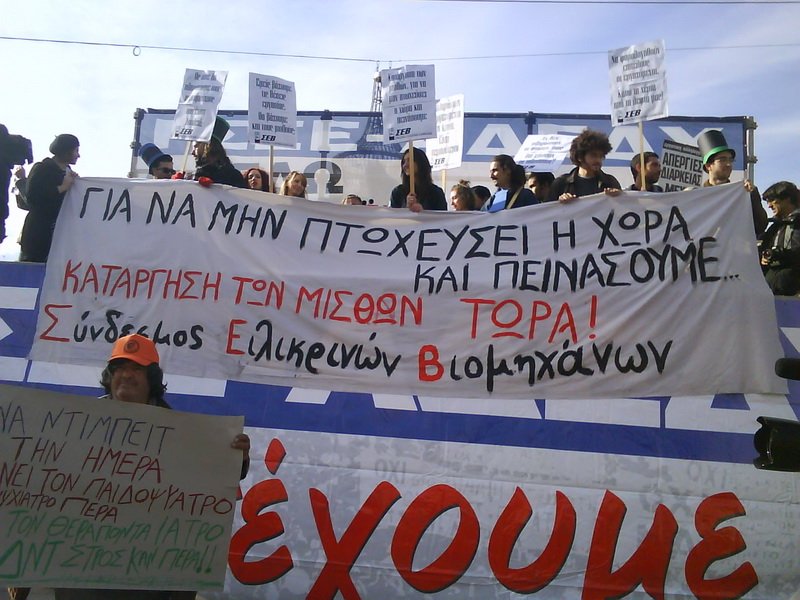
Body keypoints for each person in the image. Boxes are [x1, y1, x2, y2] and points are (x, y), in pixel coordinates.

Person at [51, 333, 251, 600]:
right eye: (119, 368)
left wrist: (236, 457)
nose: (126, 375)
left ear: (152, 380)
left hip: (147, 575)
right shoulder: (75, 424)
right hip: (80, 573)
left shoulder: (183, 432)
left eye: (136, 369)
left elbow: (212, 479)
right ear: (109, 375)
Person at [19, 133, 80, 262]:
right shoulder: (42, 168)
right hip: (38, 236)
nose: (78, 155)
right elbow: (32, 198)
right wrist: (62, 188)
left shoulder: (68, 173)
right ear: (66, 152)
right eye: (76, 151)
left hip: (59, 236)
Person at [697, 129, 767, 236]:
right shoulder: (697, 196)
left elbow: (760, 227)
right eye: (722, 160)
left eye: (730, 160)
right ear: (708, 166)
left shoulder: (744, 192)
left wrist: (752, 197)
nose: (728, 164)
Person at [547, 129, 621, 203]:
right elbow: (547, 208)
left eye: (601, 156)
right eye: (593, 155)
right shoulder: (561, 184)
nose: (598, 160)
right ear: (580, 157)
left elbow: (622, 208)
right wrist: (559, 203)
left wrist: (618, 197)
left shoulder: (610, 182)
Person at [759, 181, 800, 295]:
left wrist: (780, 254)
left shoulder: (797, 222)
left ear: (787, 199)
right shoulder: (774, 227)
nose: (769, 205)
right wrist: (764, 257)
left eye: (772, 200)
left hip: (793, 294)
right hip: (771, 292)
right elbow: (762, 252)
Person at [192, 116, 246, 188]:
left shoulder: (233, 176)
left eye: (196, 146)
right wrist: (180, 183)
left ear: (208, 145)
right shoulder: (193, 176)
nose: (192, 152)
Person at [390, 147, 447, 212]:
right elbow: (393, 216)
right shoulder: (397, 193)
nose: (405, 165)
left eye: (410, 160)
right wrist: (406, 208)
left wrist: (422, 212)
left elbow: (443, 217)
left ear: (420, 163)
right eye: (404, 162)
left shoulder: (436, 193)